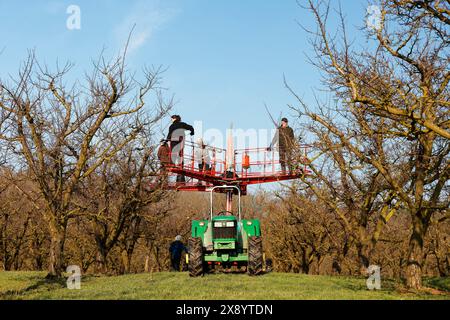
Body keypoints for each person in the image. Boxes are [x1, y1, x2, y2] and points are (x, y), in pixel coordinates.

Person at [167, 115, 195, 183]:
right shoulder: (182, 124)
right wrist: (192, 132)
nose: (171, 120)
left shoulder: (171, 126)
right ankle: (181, 167)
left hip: (173, 141)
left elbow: (169, 134)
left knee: (173, 154)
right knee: (180, 155)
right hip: (180, 141)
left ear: (175, 119)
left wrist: (167, 139)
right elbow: (190, 127)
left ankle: (172, 165)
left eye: (172, 118)